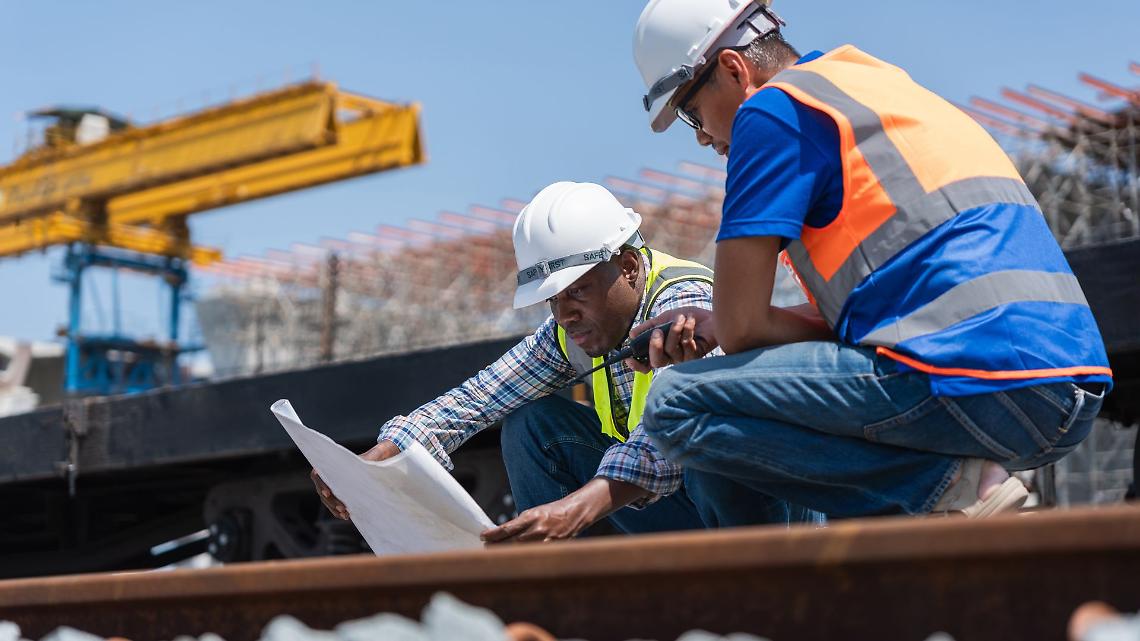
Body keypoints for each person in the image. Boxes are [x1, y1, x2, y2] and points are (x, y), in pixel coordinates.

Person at [628, 0, 1111, 517]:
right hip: (1065, 385)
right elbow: (873, 313)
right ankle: (941, 519)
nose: (700, 134)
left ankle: (963, 492)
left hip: (975, 381)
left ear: (733, 69)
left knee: (678, 401)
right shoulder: (870, 85)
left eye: (690, 112)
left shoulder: (771, 112)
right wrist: (721, 325)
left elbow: (744, 328)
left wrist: (726, 325)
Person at [312, 181, 820, 541]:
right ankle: (566, 595)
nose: (564, 312)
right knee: (531, 424)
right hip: (678, 513)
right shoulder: (573, 329)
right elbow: (480, 397)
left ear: (627, 267)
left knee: (705, 446)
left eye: (576, 292)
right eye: (553, 300)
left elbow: (671, 431)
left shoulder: (684, 302)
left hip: (755, 517)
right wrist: (380, 456)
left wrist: (582, 504)